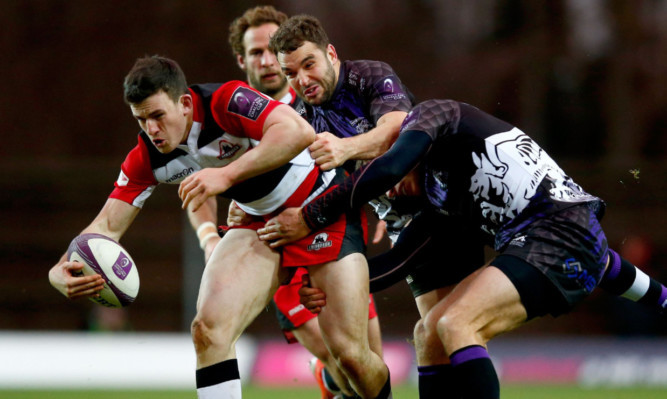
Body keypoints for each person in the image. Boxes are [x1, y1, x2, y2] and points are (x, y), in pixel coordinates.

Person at [258, 99, 667, 398]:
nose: (390, 186)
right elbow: (392, 266)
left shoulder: (437, 117)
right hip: (554, 243)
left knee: (456, 324)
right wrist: (323, 282)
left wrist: (313, 215)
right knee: (427, 333)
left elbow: (391, 163)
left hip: (558, 232)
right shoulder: (441, 203)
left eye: (388, 169)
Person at [48, 55, 392, 399]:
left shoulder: (226, 101)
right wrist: (59, 271)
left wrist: (225, 174)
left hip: (321, 207)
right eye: (141, 120)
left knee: (350, 357)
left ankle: (346, 382)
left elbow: (297, 131)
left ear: (184, 104)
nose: (151, 130)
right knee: (208, 331)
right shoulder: (147, 157)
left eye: (157, 116)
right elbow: (105, 227)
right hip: (260, 224)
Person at [226, 6, 383, 398]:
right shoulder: (235, 118)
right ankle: (328, 378)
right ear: (242, 60)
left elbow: (338, 174)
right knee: (340, 360)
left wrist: (379, 201)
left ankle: (330, 382)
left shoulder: (316, 106)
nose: (268, 60)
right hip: (282, 247)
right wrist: (211, 234)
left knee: (365, 364)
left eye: (273, 48)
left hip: (333, 235)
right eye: (257, 51)